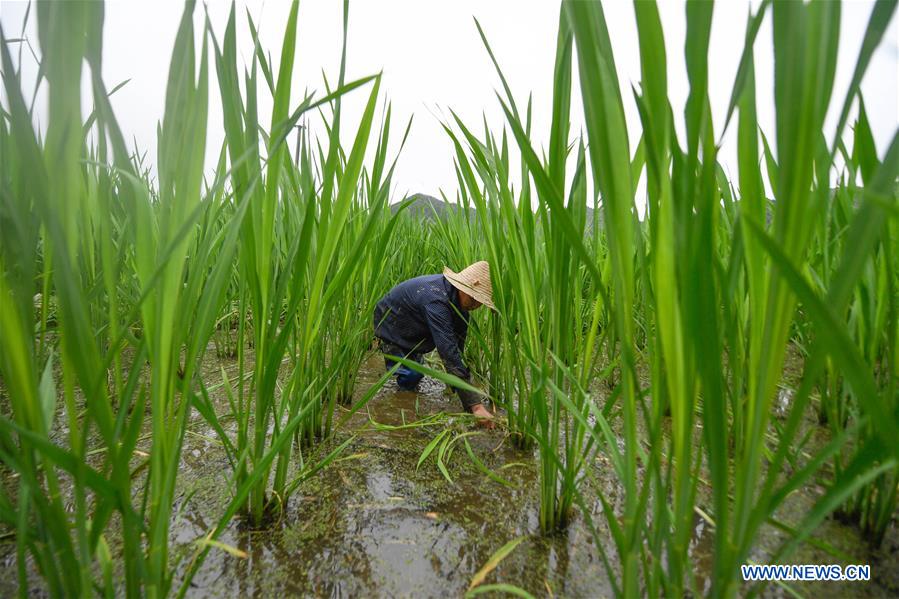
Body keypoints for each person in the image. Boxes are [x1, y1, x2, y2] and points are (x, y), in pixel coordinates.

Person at [373, 261, 496, 424]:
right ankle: (402, 412)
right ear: (462, 288)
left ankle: (412, 371)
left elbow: (457, 349)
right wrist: (476, 406)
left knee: (416, 361)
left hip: (413, 324)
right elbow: (447, 352)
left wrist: (456, 386)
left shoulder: (460, 309)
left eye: (480, 301)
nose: (476, 305)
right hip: (390, 322)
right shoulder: (436, 301)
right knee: (412, 375)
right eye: (474, 298)